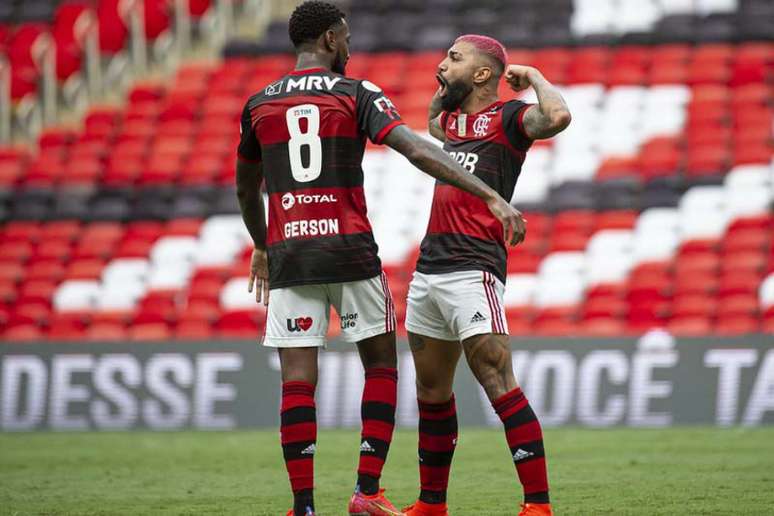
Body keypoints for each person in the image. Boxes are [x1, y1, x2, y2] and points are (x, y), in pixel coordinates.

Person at [234, 3, 526, 514]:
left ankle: (302, 504)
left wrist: (261, 243)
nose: (347, 48)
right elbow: (415, 148)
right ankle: (367, 491)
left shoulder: (258, 103)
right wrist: (491, 194)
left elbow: (245, 186)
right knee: (381, 367)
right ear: (328, 39)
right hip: (349, 252)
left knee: (297, 379)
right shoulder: (357, 92)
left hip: (290, 255)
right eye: (343, 39)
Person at [401, 35, 571, 516]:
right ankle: (431, 503)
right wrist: (442, 80)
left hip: (474, 267)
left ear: (482, 74)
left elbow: (557, 117)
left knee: (497, 378)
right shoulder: (453, 123)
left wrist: (533, 76)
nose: (442, 64)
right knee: (431, 392)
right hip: (429, 268)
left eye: (453, 59)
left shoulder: (510, 119)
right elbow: (431, 121)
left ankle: (537, 504)